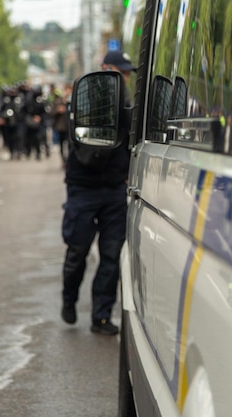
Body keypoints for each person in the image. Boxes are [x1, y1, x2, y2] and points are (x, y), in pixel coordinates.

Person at [61, 50, 135, 335]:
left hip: (114, 188)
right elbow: (86, 151)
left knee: (111, 256)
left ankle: (101, 316)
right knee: (77, 251)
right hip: (84, 188)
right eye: (121, 72)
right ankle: (69, 299)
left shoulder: (127, 104)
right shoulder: (86, 99)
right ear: (105, 69)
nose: (125, 78)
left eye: (127, 74)